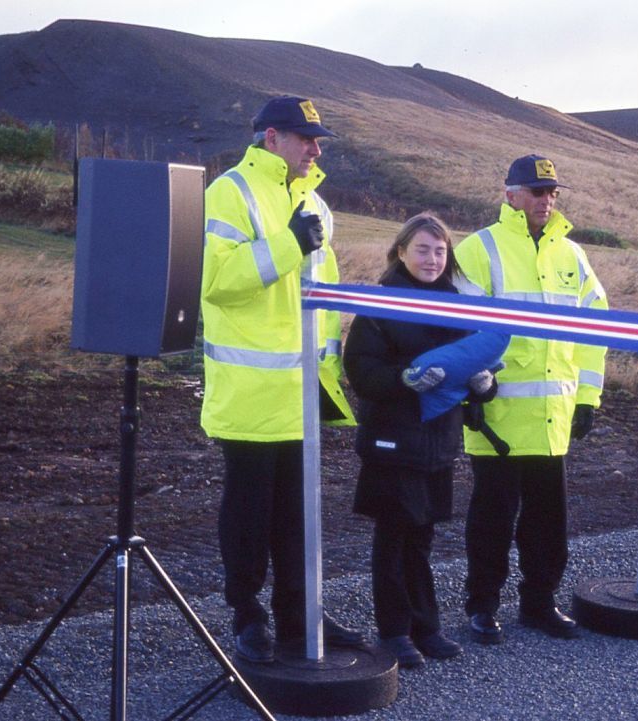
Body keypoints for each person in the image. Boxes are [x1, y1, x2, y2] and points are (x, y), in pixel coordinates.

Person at [200, 95, 362, 664]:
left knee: (298, 517)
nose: (315, 148)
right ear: (271, 138)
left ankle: (300, 616)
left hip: (302, 396)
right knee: (248, 518)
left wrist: (331, 371)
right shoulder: (230, 192)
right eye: (304, 137)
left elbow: (326, 296)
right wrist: (291, 242)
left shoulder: (313, 200)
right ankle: (248, 619)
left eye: (317, 139)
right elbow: (217, 280)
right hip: (250, 396)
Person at [453, 154, 609, 644]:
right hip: (497, 417)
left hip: (551, 418)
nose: (546, 200)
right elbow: (458, 324)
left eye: (552, 192)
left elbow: (594, 329)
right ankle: (482, 607)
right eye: (536, 191)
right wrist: (468, 388)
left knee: (547, 524)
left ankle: (540, 604)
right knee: (492, 522)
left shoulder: (573, 255)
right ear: (510, 195)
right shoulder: (479, 248)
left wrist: (587, 396)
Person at [343, 213, 496, 668]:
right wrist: (404, 379)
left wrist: (485, 384)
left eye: (440, 251)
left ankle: (425, 627)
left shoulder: (458, 306)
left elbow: (473, 365)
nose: (432, 259)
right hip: (392, 439)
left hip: (437, 442)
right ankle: (394, 632)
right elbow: (362, 373)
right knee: (393, 536)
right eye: (423, 249)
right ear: (402, 251)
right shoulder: (381, 303)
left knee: (422, 536)